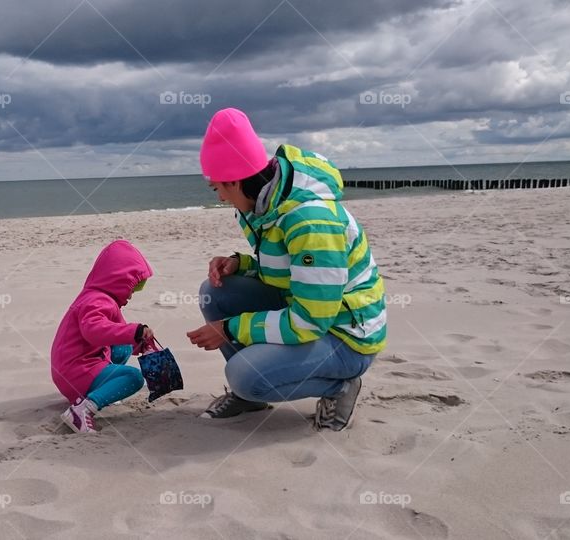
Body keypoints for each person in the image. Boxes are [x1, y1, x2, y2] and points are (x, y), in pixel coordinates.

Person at [186, 108, 387, 431]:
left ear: (236, 180)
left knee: (243, 375)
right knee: (215, 292)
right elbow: (286, 271)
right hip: (311, 312)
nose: (220, 197)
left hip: (347, 336)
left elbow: (310, 321)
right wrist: (240, 263)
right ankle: (251, 398)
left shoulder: (310, 221)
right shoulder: (264, 205)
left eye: (218, 188)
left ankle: (341, 387)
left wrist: (231, 328)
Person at [51, 239, 155, 433]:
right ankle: (82, 410)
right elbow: (94, 332)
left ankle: (100, 391)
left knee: (123, 346)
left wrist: (142, 344)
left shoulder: (102, 297)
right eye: (133, 287)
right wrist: (135, 330)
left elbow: (119, 333)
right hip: (76, 371)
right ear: (118, 280)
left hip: (72, 368)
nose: (132, 294)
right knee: (134, 377)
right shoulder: (96, 301)